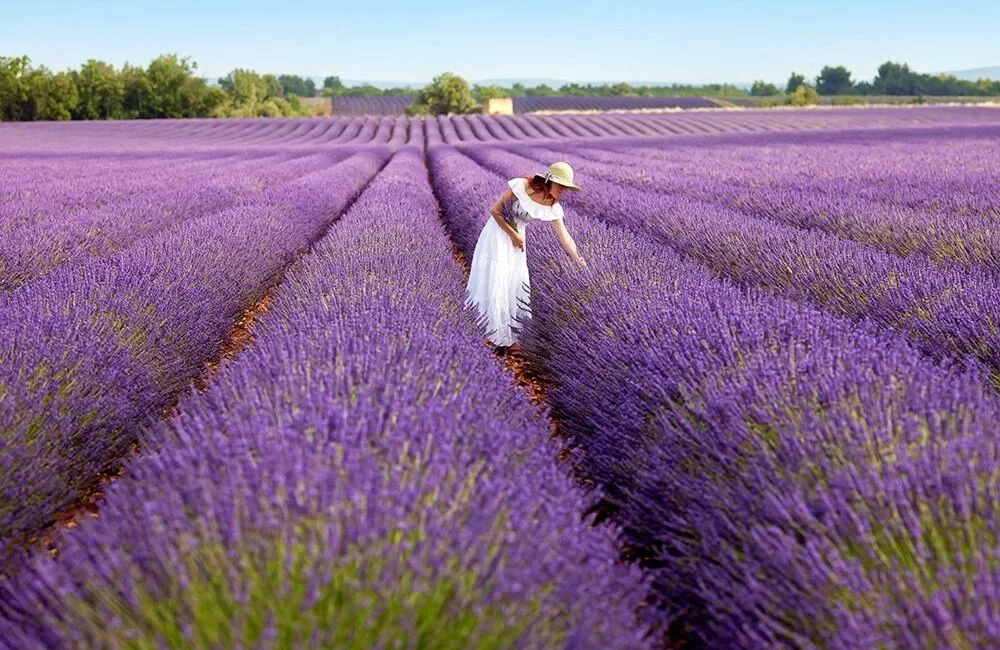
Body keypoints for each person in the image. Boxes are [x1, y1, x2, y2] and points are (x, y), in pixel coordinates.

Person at [465, 161, 587, 349]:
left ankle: (509, 337)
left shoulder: (552, 206)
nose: (563, 190)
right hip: (498, 234)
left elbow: (565, 237)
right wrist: (513, 234)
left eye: (566, 188)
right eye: (561, 185)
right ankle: (489, 333)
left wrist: (579, 260)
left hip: (517, 241)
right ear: (549, 181)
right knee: (497, 277)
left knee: (513, 282)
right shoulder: (522, 186)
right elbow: (495, 211)